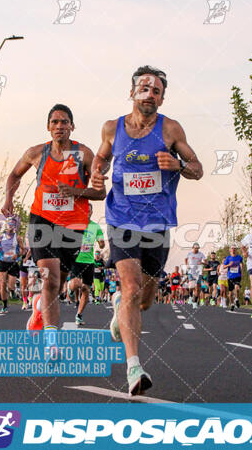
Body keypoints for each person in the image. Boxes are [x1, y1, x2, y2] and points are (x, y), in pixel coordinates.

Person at [91, 65, 203, 395]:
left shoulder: (171, 130)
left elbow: (198, 168)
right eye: (144, 88)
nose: (150, 94)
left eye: (156, 91)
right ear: (131, 92)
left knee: (145, 298)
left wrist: (179, 165)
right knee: (131, 285)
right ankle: (134, 369)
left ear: (162, 97)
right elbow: (100, 160)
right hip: (121, 218)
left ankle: (120, 310)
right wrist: (97, 174)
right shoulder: (112, 128)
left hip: (157, 222)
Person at [1, 104, 105, 357]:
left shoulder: (84, 154)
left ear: (72, 126)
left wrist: (76, 191)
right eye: (55, 122)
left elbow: (100, 192)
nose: (60, 126)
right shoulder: (36, 153)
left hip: (74, 224)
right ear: (48, 126)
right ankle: (51, 343)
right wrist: (8, 199)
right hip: (42, 220)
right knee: (50, 278)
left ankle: (38, 308)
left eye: (64, 122)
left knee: (60, 283)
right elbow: (14, 175)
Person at [68, 205, 106, 325]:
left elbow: (101, 242)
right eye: (85, 210)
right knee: (76, 284)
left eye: (89, 211)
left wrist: (101, 243)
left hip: (89, 262)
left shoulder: (95, 227)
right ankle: (70, 288)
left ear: (91, 212)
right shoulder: (75, 224)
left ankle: (79, 315)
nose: (87, 213)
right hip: (76, 259)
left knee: (86, 289)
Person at [0, 218, 24, 313]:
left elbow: (23, 250)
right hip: (2, 263)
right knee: (2, 284)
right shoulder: (1, 237)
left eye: (12, 225)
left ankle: (12, 291)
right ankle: (5, 305)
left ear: (15, 227)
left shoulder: (18, 238)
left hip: (13, 263)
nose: (10, 227)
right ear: (6, 226)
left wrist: (17, 255)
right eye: (9, 225)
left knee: (10, 286)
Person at [185, 243, 206, 309]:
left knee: (197, 288)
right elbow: (186, 259)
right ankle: (190, 297)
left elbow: (206, 262)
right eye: (195, 248)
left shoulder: (201, 254)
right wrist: (186, 265)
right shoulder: (189, 254)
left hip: (198, 273)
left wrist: (202, 262)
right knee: (191, 287)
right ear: (192, 248)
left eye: (197, 248)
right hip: (191, 272)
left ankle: (194, 302)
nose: (196, 249)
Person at [223, 245, 243, 311]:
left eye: (235, 248)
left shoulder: (239, 257)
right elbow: (224, 266)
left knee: (237, 288)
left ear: (236, 250)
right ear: (230, 250)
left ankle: (236, 299)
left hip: (237, 276)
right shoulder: (228, 258)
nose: (233, 249)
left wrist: (242, 271)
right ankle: (232, 304)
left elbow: (241, 264)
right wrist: (229, 265)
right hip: (230, 276)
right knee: (230, 293)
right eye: (232, 248)